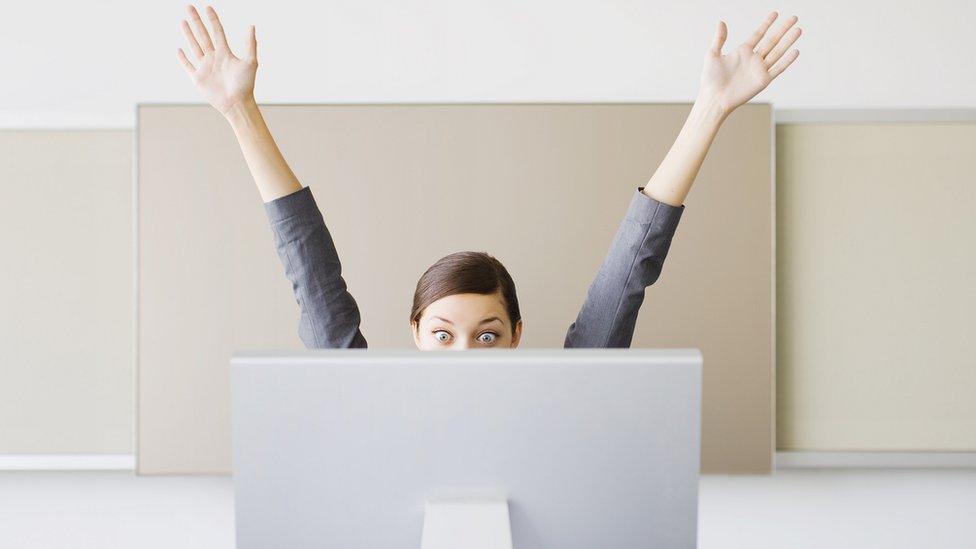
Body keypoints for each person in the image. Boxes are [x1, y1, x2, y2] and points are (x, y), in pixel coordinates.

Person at [176, 5, 800, 350]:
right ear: (415, 335)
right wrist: (239, 110)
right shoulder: (363, 404)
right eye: (443, 335)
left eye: (485, 336)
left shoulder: (568, 402)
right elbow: (310, 277)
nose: (463, 355)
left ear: (516, 337)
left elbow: (630, 270)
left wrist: (710, 111)